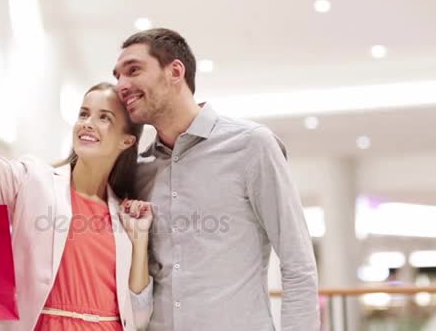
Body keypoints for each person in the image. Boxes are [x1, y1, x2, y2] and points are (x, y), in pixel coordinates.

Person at [0, 17, 154, 331]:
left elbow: (138, 317)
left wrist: (139, 242)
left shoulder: (125, 217)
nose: (87, 123)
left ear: (127, 140)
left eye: (104, 118)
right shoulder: (34, 181)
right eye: (83, 113)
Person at [112, 28, 320, 330]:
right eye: (117, 76)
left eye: (133, 70)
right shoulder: (140, 169)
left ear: (175, 71)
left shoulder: (252, 146)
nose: (122, 85)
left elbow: (298, 264)